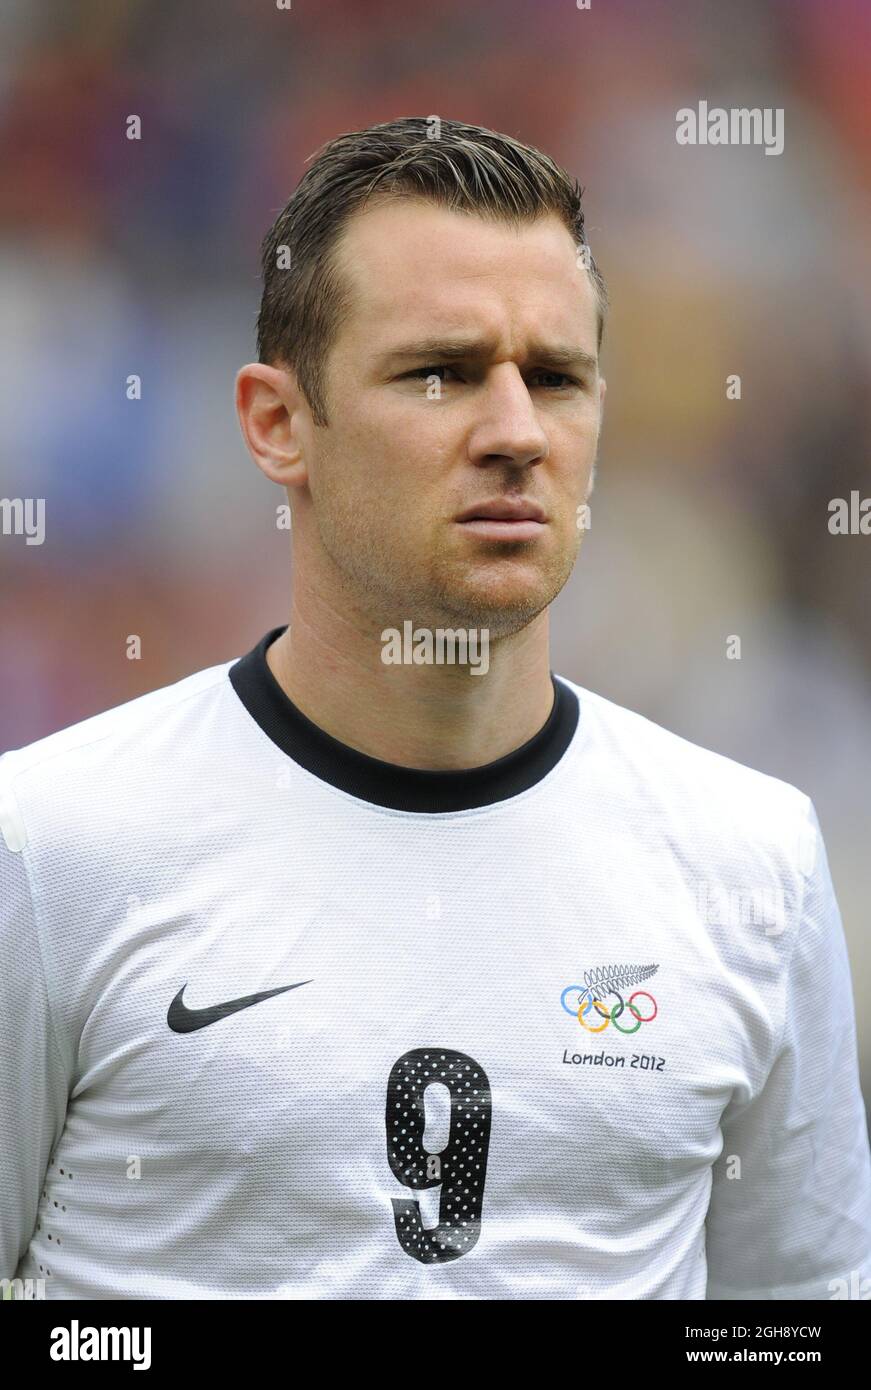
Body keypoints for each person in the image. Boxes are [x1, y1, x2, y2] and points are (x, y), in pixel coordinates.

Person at [1, 117, 869, 1301]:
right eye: (441, 372)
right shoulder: (52, 846)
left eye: (555, 378)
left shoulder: (751, 861)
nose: (514, 432)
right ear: (277, 423)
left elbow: (796, 1314)